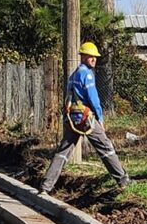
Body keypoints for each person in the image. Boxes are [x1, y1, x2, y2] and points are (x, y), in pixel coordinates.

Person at [40, 41, 131, 194]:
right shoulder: (87, 74)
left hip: (71, 118)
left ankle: (46, 186)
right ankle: (123, 180)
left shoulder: (74, 74)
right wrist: (100, 117)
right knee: (105, 147)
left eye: (95, 57)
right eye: (91, 57)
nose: (94, 59)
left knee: (63, 152)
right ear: (83, 57)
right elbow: (93, 98)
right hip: (85, 118)